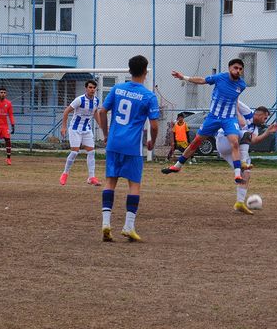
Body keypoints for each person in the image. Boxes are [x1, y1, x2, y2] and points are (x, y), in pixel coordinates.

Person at [95, 55, 160, 243]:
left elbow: (101, 111)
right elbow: (154, 126)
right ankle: (128, 226)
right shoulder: (148, 96)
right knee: (134, 184)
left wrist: (106, 134)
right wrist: (152, 143)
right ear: (145, 71)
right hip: (132, 146)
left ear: (129, 70)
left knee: (110, 182)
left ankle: (106, 224)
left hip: (114, 143)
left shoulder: (117, 88)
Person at [162, 58, 247, 183]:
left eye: (240, 69)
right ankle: (177, 166)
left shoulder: (242, 85)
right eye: (235, 68)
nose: (238, 70)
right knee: (196, 141)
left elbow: (235, 100)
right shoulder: (219, 77)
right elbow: (202, 80)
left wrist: (238, 115)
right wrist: (183, 77)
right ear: (229, 68)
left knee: (234, 142)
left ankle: (237, 175)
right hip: (213, 117)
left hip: (229, 118)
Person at [216, 102, 277, 214]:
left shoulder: (254, 128)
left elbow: (253, 140)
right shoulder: (247, 111)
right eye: (265, 118)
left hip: (231, 149)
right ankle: (243, 162)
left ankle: (239, 203)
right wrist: (239, 115)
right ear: (259, 115)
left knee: (246, 173)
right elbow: (234, 99)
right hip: (224, 139)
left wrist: (268, 132)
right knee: (245, 133)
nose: (265, 121)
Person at [59, 79, 102, 186]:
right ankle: (65, 173)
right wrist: (63, 127)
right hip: (75, 129)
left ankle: (91, 177)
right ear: (86, 88)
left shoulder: (96, 100)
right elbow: (66, 111)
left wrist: (101, 125)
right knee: (74, 152)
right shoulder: (79, 100)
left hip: (86, 129)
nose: (92, 89)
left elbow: (95, 112)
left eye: (94, 88)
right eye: (90, 87)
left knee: (91, 152)